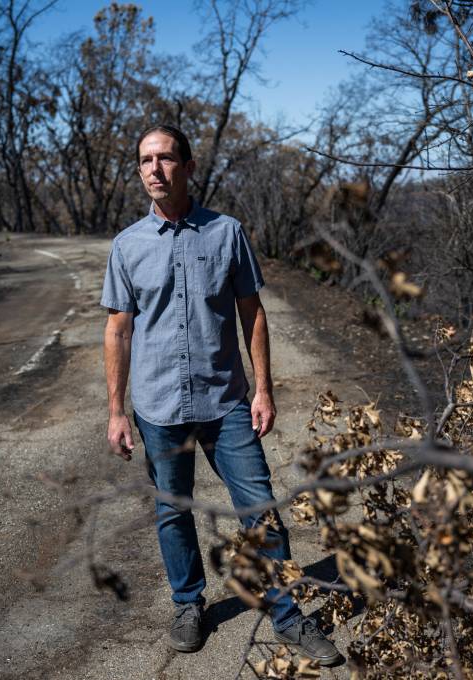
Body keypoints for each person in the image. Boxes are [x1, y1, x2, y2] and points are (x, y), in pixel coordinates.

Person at [100, 124, 340, 665]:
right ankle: (189, 603)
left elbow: (251, 313)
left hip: (226, 400)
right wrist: (116, 411)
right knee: (173, 511)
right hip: (158, 406)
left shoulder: (226, 233)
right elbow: (118, 330)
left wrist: (264, 390)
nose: (153, 170)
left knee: (260, 508)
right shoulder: (127, 246)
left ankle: (288, 615)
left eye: (164, 159)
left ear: (187, 166)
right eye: (144, 161)